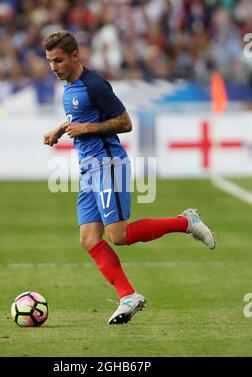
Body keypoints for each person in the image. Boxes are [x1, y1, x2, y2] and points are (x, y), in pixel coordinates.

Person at [43, 31, 216, 325]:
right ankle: (128, 296)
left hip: (108, 164)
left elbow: (125, 123)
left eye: (58, 60)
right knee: (88, 239)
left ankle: (186, 222)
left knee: (118, 236)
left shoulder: (95, 85)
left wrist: (87, 129)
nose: (53, 67)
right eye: (49, 61)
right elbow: (79, 117)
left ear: (75, 56)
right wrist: (61, 129)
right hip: (88, 169)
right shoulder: (69, 86)